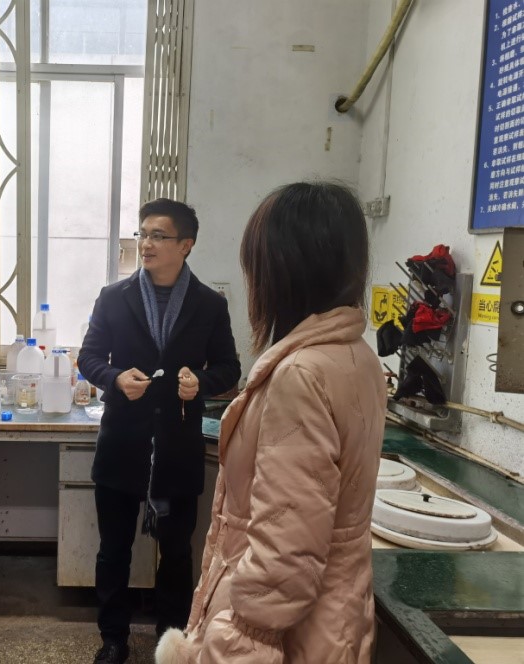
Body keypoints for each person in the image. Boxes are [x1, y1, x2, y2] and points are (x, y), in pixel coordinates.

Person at [155, 182, 387, 664]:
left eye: (255, 267)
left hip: (289, 632)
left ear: (284, 272)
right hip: (335, 612)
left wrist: (231, 642)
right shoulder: (356, 356)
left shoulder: (300, 374)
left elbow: (285, 554)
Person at [78, 198, 241, 664]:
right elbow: (89, 357)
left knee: (176, 553)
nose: (146, 244)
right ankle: (113, 639)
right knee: (113, 551)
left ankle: (172, 642)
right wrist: (115, 379)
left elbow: (229, 368)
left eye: (158, 235)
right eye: (143, 234)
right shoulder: (115, 296)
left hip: (177, 448)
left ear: (185, 245)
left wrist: (200, 382)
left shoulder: (209, 304)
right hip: (122, 443)